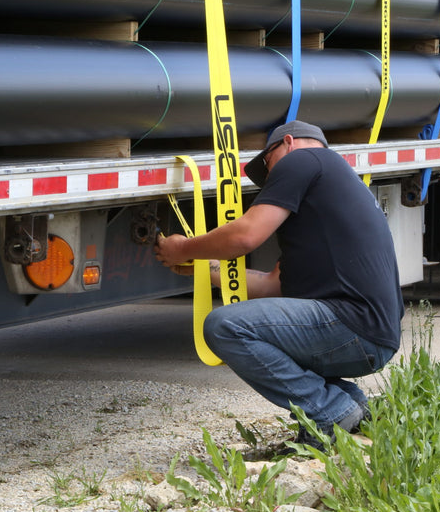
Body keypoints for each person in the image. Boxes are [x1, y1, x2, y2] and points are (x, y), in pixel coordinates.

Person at [153, 120, 403, 450]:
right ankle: (352, 404)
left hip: (351, 325)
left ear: (287, 143)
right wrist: (206, 268)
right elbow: (273, 286)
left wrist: (182, 248)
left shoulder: (304, 160)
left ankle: (329, 411)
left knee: (224, 326)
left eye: (268, 165)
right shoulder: (332, 191)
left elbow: (245, 236)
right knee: (265, 329)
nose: (270, 179)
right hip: (373, 336)